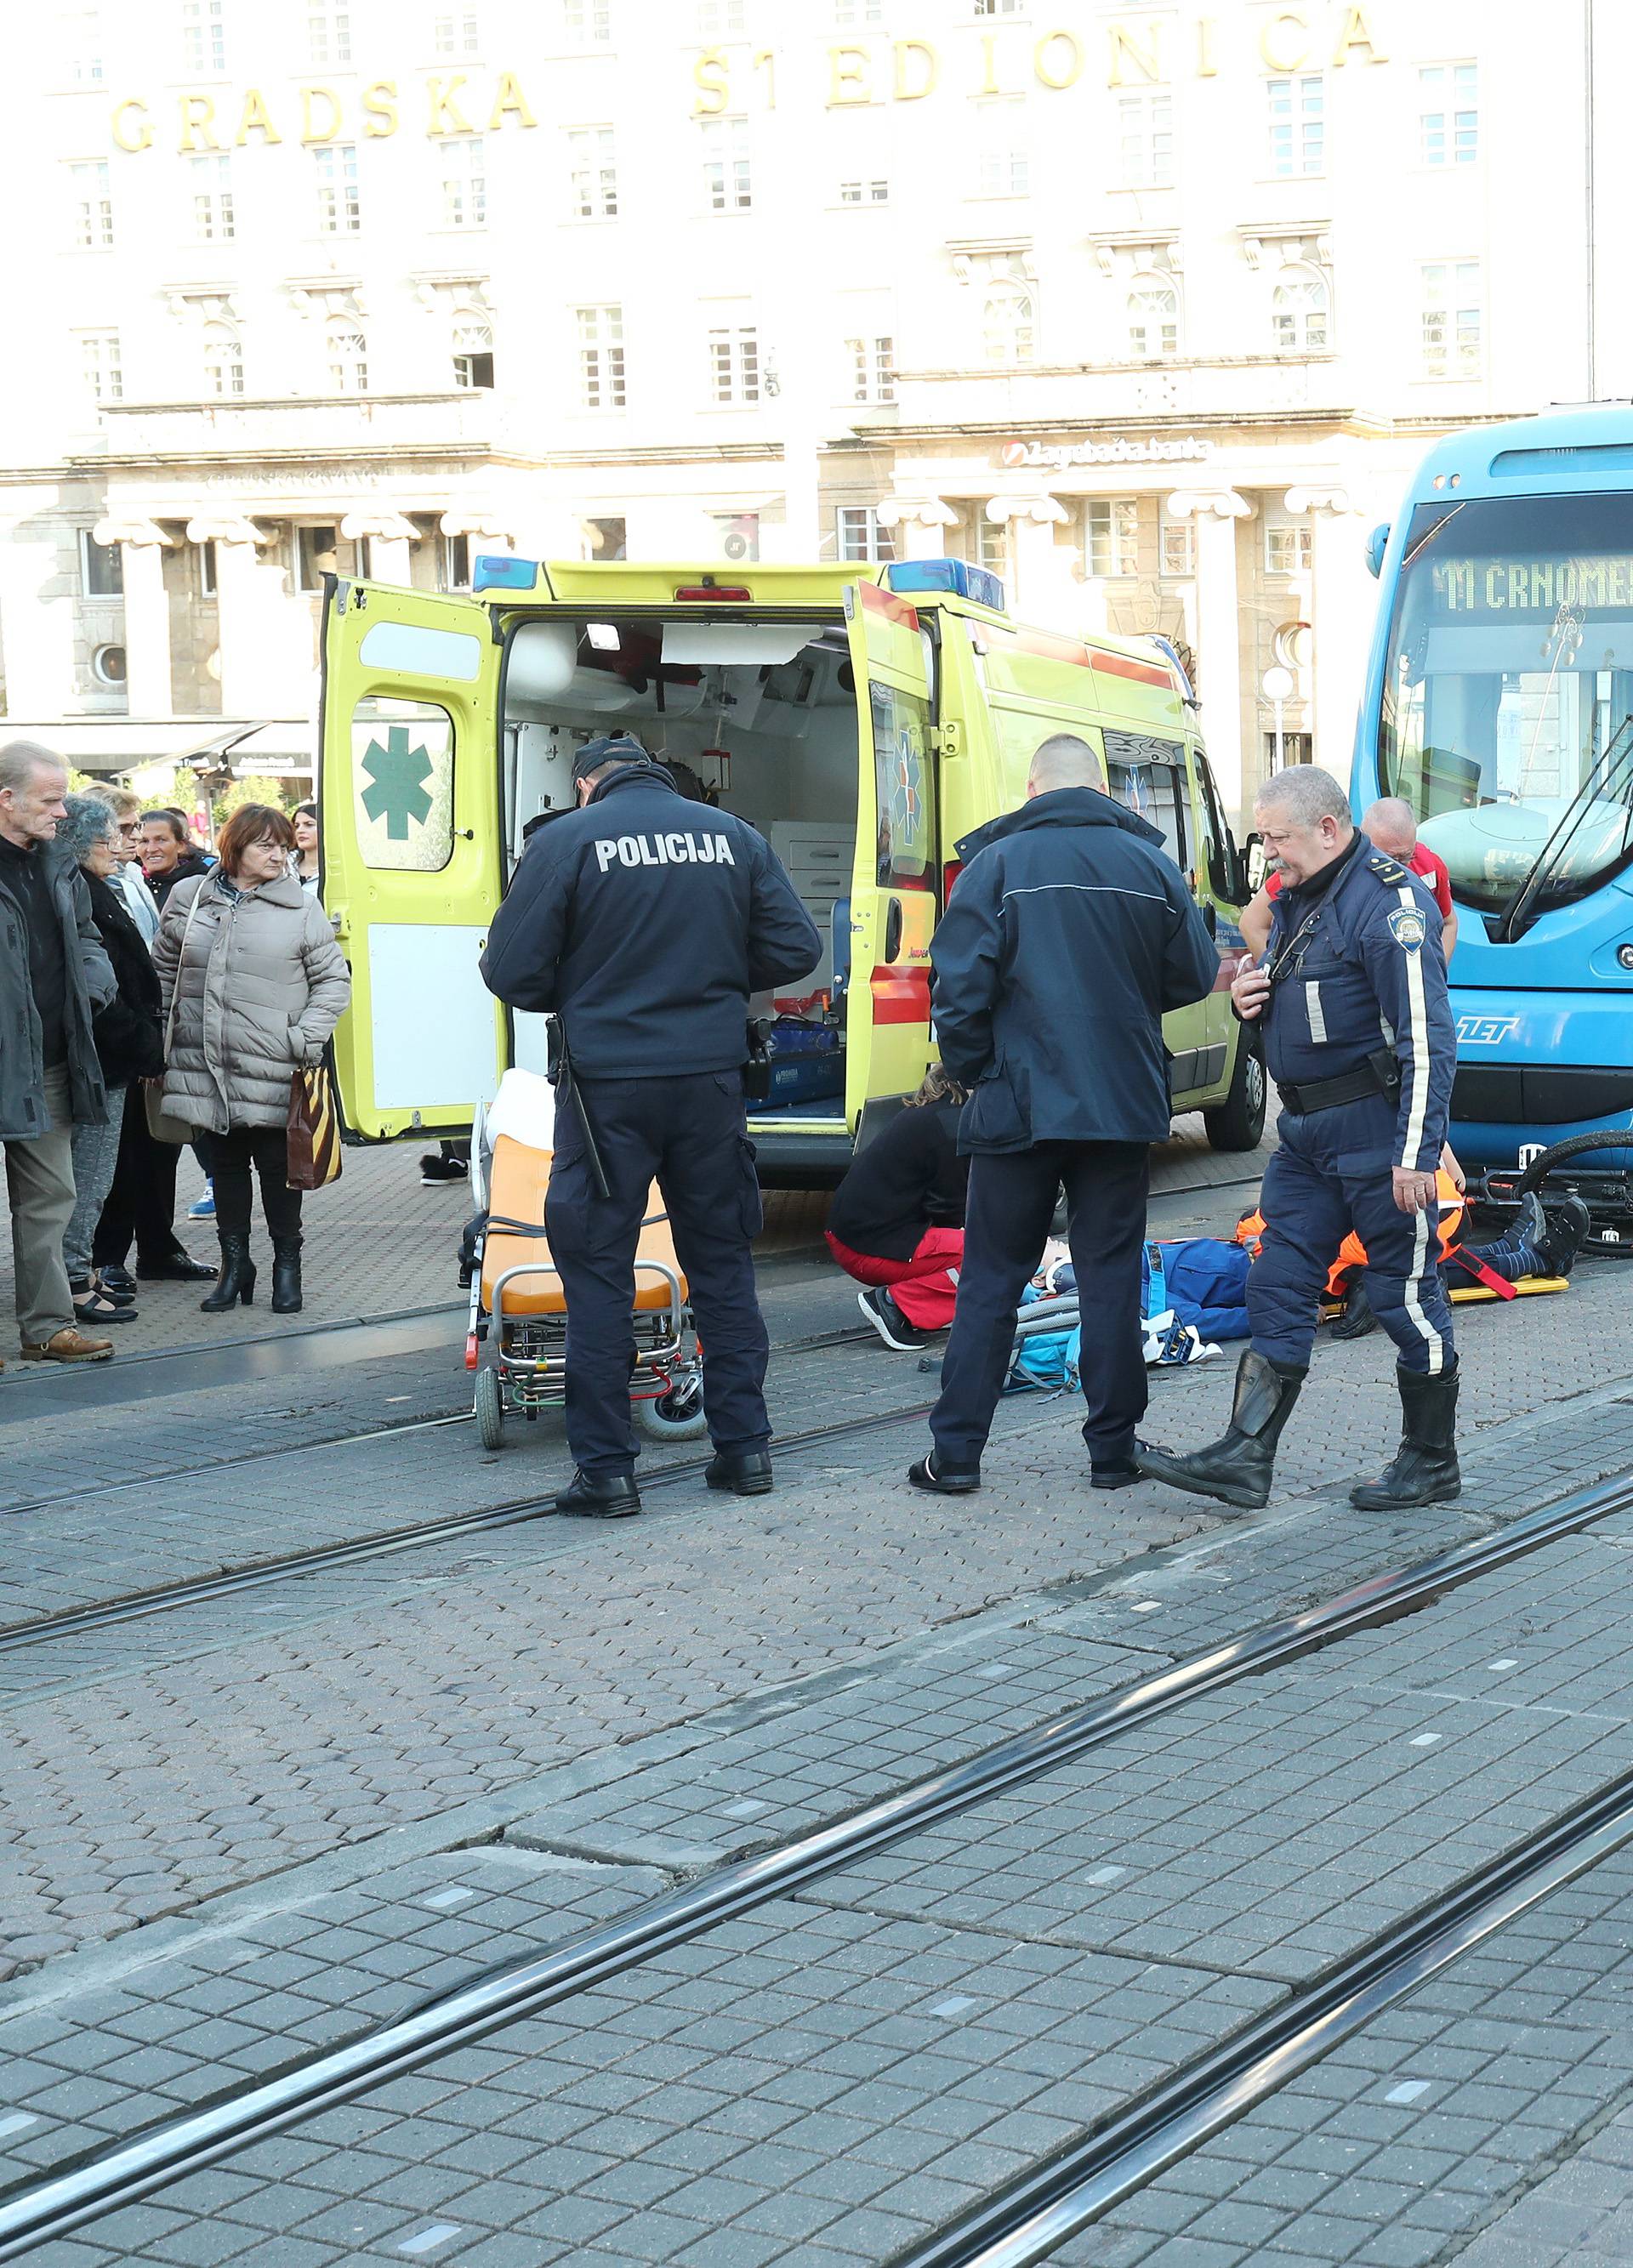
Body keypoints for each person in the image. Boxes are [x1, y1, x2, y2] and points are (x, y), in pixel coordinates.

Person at [480, 730, 822, 1517]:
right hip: (710, 1080)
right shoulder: (730, 836)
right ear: (661, 779)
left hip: (607, 1092)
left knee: (597, 1272)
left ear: (587, 786)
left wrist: (591, 980)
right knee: (725, 1265)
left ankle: (607, 1472)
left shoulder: (568, 840)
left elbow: (509, 970)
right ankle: (747, 1451)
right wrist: (712, 975)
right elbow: (795, 946)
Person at [1137, 765, 1458, 1515]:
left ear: (1326, 827)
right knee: (1277, 1281)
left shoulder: (1389, 901)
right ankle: (1246, 1456)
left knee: (1402, 1292)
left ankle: (1431, 1458)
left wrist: (1416, 1153)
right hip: (1307, 1134)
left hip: (1375, 1133)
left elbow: (1427, 1037)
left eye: (1279, 838)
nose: (1271, 854)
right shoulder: (1300, 898)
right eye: (1265, 839)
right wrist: (1252, 997)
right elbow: (1300, 989)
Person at [906, 734, 1220, 1496]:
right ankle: (1113, 1453)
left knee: (991, 1280)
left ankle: (956, 1457)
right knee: (1111, 1275)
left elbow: (957, 992)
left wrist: (980, 1068)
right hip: (1119, 1104)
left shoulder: (995, 866)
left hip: (1017, 1105)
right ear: (1103, 787)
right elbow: (1198, 972)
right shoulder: (1151, 866)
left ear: (1032, 784)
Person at [154, 804, 350, 1317]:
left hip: (272, 1060)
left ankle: (289, 1267)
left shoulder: (300, 907)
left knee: (280, 1168)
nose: (279, 855)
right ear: (234, 846)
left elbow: (333, 980)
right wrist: (162, 1041)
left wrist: (303, 1038)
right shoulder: (189, 897)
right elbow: (164, 975)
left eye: (284, 846)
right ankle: (235, 1265)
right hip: (204, 1058)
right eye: (266, 845)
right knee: (225, 1166)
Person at [0, 742, 117, 1365]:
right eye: (50, 800)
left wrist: (92, 986)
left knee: (50, 1199)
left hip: (47, 1062)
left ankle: (47, 1328)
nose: (63, 813)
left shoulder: (59, 867)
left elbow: (87, 936)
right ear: (7, 799)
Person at [56, 795, 165, 1326]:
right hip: (102, 1056)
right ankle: (76, 1281)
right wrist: (143, 1041)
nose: (120, 848)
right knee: (88, 1176)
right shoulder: (78, 892)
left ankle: (81, 1273)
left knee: (93, 1176)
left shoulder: (92, 888)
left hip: (109, 1053)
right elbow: (101, 989)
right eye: (108, 839)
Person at [827, 1066, 969, 1350]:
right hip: (871, 1245)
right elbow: (952, 1208)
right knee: (989, 1251)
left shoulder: (932, 1115)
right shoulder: (950, 1126)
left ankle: (907, 1302)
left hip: (856, 1236)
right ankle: (895, 1305)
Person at [1240, 793, 1457, 961]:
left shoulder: (1431, 865)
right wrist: (1278, 980)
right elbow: (1251, 922)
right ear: (1364, 842)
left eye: (1406, 856)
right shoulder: (1316, 868)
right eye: (1387, 857)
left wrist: (1436, 971)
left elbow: (1448, 923)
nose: (1398, 868)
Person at [94, 788, 162, 944]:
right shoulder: (83, 883)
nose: (136, 836)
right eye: (123, 829)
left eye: (137, 826)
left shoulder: (134, 873)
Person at [140, 808, 213, 907]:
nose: (151, 849)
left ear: (180, 845)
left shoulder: (205, 883)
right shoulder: (128, 884)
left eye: (161, 840)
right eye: (144, 841)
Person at [292, 801, 321, 895]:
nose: (300, 830)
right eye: (297, 826)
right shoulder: (283, 865)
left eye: (309, 824)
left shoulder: (340, 867)